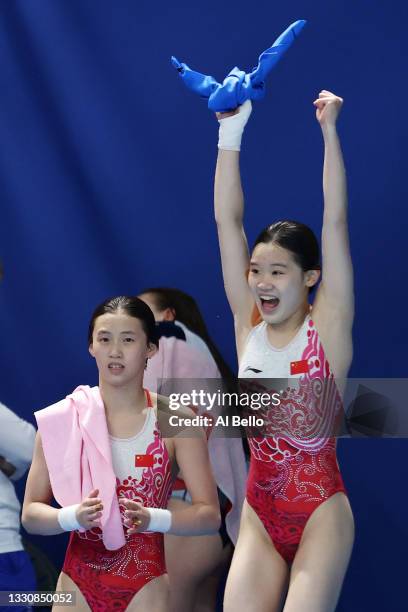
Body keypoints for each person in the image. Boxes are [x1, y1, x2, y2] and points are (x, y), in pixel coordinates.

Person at [211, 91, 355, 611]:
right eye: (256, 271)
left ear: (310, 277)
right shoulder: (247, 324)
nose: (262, 283)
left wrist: (329, 131)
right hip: (258, 513)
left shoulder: (328, 327)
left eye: (277, 272)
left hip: (320, 512)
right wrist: (231, 131)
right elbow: (228, 224)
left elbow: (334, 221)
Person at [22, 296, 220, 612]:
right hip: (75, 588)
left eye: (128, 340)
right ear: (91, 347)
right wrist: (71, 516)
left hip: (145, 587)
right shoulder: (62, 419)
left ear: (150, 349)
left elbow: (209, 516)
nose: (115, 350)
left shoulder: (177, 419)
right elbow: (31, 515)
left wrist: (153, 518)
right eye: (104, 339)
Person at [139, 287, 247, 612]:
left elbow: (152, 433)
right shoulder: (201, 355)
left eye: (140, 313)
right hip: (223, 518)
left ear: (168, 315)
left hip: (188, 508)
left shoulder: (167, 340)